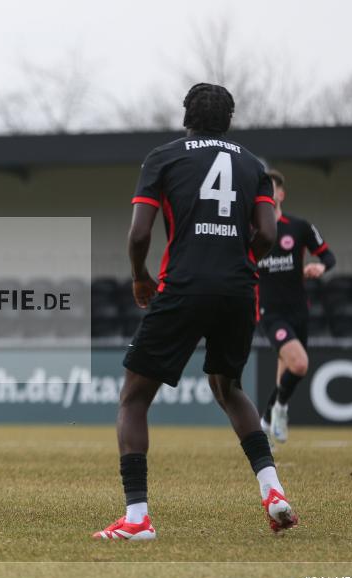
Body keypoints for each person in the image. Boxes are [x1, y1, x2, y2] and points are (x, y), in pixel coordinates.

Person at [93, 83, 297, 540]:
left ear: (186, 115)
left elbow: (139, 233)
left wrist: (139, 274)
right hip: (239, 290)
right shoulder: (253, 164)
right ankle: (274, 492)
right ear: (229, 120)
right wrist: (238, 261)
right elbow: (267, 231)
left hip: (184, 286)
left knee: (133, 399)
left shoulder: (164, 157)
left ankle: (137, 518)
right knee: (230, 388)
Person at [257, 169, 336, 444]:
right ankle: (280, 409)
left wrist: (320, 266)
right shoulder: (250, 232)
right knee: (299, 364)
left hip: (298, 311)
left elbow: (329, 256)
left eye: (272, 189)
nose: (268, 194)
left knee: (288, 366)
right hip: (270, 313)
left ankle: (266, 419)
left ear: (281, 194)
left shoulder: (298, 227)